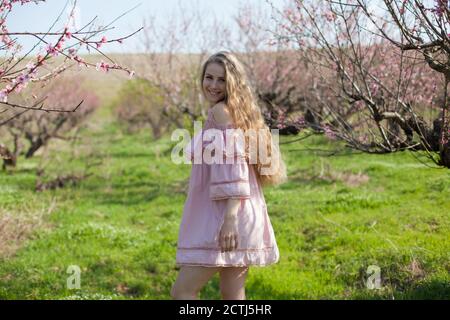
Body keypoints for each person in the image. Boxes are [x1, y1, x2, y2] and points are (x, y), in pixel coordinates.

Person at [171, 51, 287, 300]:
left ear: (232, 83)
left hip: (224, 220)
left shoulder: (221, 113)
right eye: (209, 77)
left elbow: (234, 167)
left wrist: (230, 220)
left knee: (182, 292)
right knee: (232, 295)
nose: (213, 85)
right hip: (242, 214)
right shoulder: (235, 111)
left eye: (221, 80)